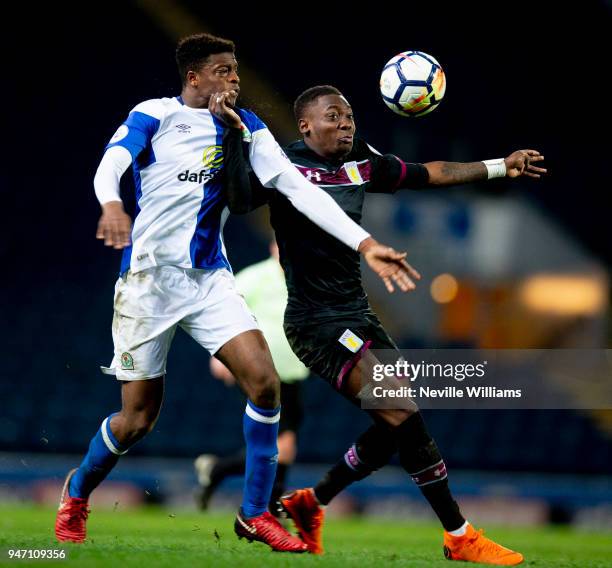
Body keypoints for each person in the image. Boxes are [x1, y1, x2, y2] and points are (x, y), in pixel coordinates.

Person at [53, 35, 420, 553]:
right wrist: (112, 203)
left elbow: (297, 188)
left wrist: (366, 243)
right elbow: (111, 161)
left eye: (237, 73)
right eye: (224, 72)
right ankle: (77, 491)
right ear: (195, 77)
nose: (234, 81)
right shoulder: (155, 115)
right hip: (147, 284)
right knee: (137, 419)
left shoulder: (247, 127)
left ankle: (253, 513)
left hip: (208, 281)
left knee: (266, 385)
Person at [224, 84, 546, 564]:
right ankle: (459, 536)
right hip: (315, 320)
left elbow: (429, 173)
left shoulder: (359, 158)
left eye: (350, 114)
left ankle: (313, 500)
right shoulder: (280, 164)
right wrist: (233, 144)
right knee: (399, 409)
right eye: (334, 115)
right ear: (306, 124)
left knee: (399, 416)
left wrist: (500, 165)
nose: (347, 122)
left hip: (357, 312)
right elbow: (237, 196)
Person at [194, 241, 309, 512]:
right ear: (273, 247)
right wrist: (218, 355)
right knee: (282, 443)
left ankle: (218, 470)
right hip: (260, 371)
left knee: (283, 444)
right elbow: (223, 313)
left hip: (294, 372)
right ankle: (268, 506)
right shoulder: (255, 277)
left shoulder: (304, 279)